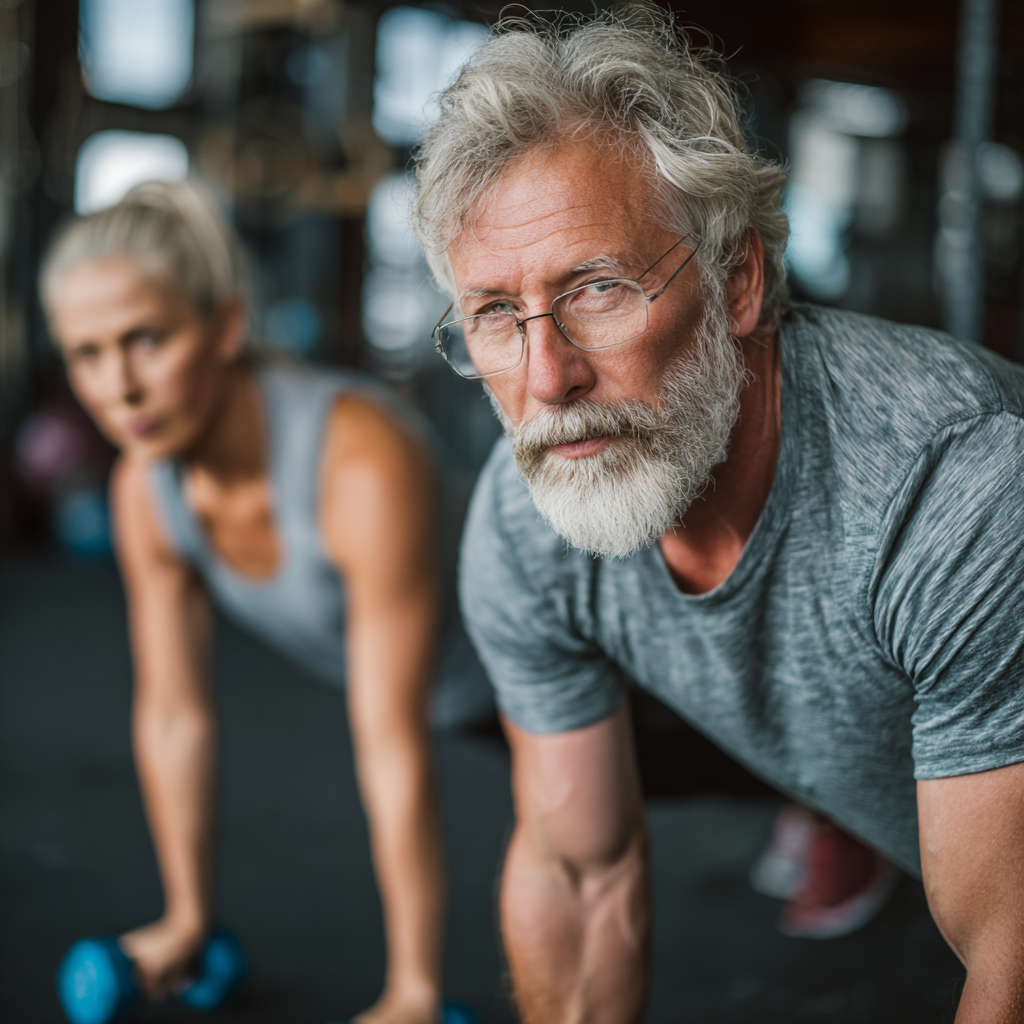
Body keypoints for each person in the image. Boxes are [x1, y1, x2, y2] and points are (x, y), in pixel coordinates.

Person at [410, 8, 1024, 1023]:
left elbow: (1010, 962)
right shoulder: (529, 518)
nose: (548, 376)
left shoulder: (955, 488)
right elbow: (579, 874)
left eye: (598, 288)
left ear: (736, 279)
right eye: (495, 316)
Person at [41, 180, 491, 1024]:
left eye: (146, 339)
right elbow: (175, 717)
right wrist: (187, 918)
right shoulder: (147, 487)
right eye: (87, 353)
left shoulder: (361, 462)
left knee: (738, 770)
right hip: (453, 700)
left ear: (226, 328)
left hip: (580, 660)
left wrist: (413, 993)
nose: (119, 388)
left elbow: (388, 746)